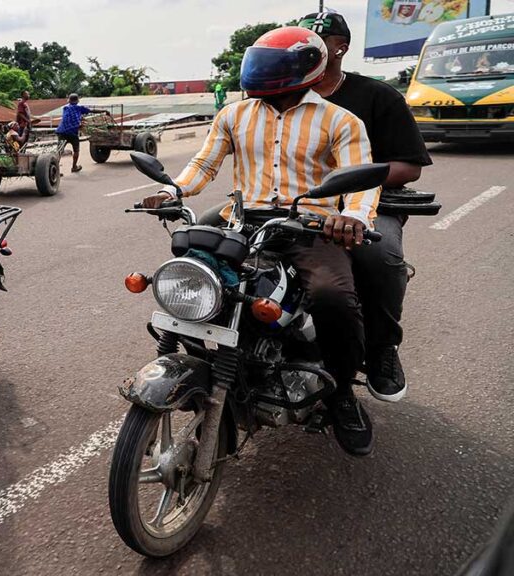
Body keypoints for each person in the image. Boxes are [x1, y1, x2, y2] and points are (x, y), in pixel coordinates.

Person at [140, 26, 380, 456]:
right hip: (243, 223)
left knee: (333, 298)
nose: (265, 74)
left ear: (309, 67)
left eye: (276, 66)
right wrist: (173, 192)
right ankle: (210, 365)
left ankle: (342, 392)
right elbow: (204, 163)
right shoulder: (234, 115)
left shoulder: (340, 120)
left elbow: (360, 179)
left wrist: (352, 217)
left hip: (311, 228)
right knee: (192, 281)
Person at [299, 11, 432, 403]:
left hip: (367, 202)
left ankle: (382, 349)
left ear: (342, 47)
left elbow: (409, 167)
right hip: (297, 200)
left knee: (380, 254)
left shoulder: (378, 97)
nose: (310, 46)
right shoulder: (282, 93)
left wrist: (348, 179)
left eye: (321, 40)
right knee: (216, 236)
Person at [55, 93, 110, 173]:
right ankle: (74, 167)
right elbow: (92, 111)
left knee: (59, 151)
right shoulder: (79, 108)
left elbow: (71, 117)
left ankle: (55, 171)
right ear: (77, 101)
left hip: (61, 131)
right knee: (76, 151)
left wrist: (79, 119)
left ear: (69, 101)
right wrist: (104, 111)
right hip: (72, 133)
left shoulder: (65, 108)